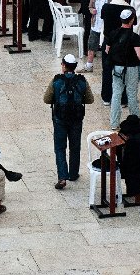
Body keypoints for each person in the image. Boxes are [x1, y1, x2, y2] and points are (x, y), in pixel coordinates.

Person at [44, 54, 94, 189]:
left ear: (64, 66)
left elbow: (47, 99)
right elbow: (90, 99)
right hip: (77, 119)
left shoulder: (56, 80)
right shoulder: (82, 81)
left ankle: (62, 177)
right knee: (75, 146)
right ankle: (73, 173)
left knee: (60, 148)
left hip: (60, 119)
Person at [105, 8, 140, 130]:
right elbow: (139, 55)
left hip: (117, 68)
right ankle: (136, 121)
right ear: (131, 20)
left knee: (116, 94)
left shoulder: (113, 33)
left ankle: (114, 123)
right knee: (131, 94)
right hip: (131, 68)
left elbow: (107, 50)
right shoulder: (134, 37)